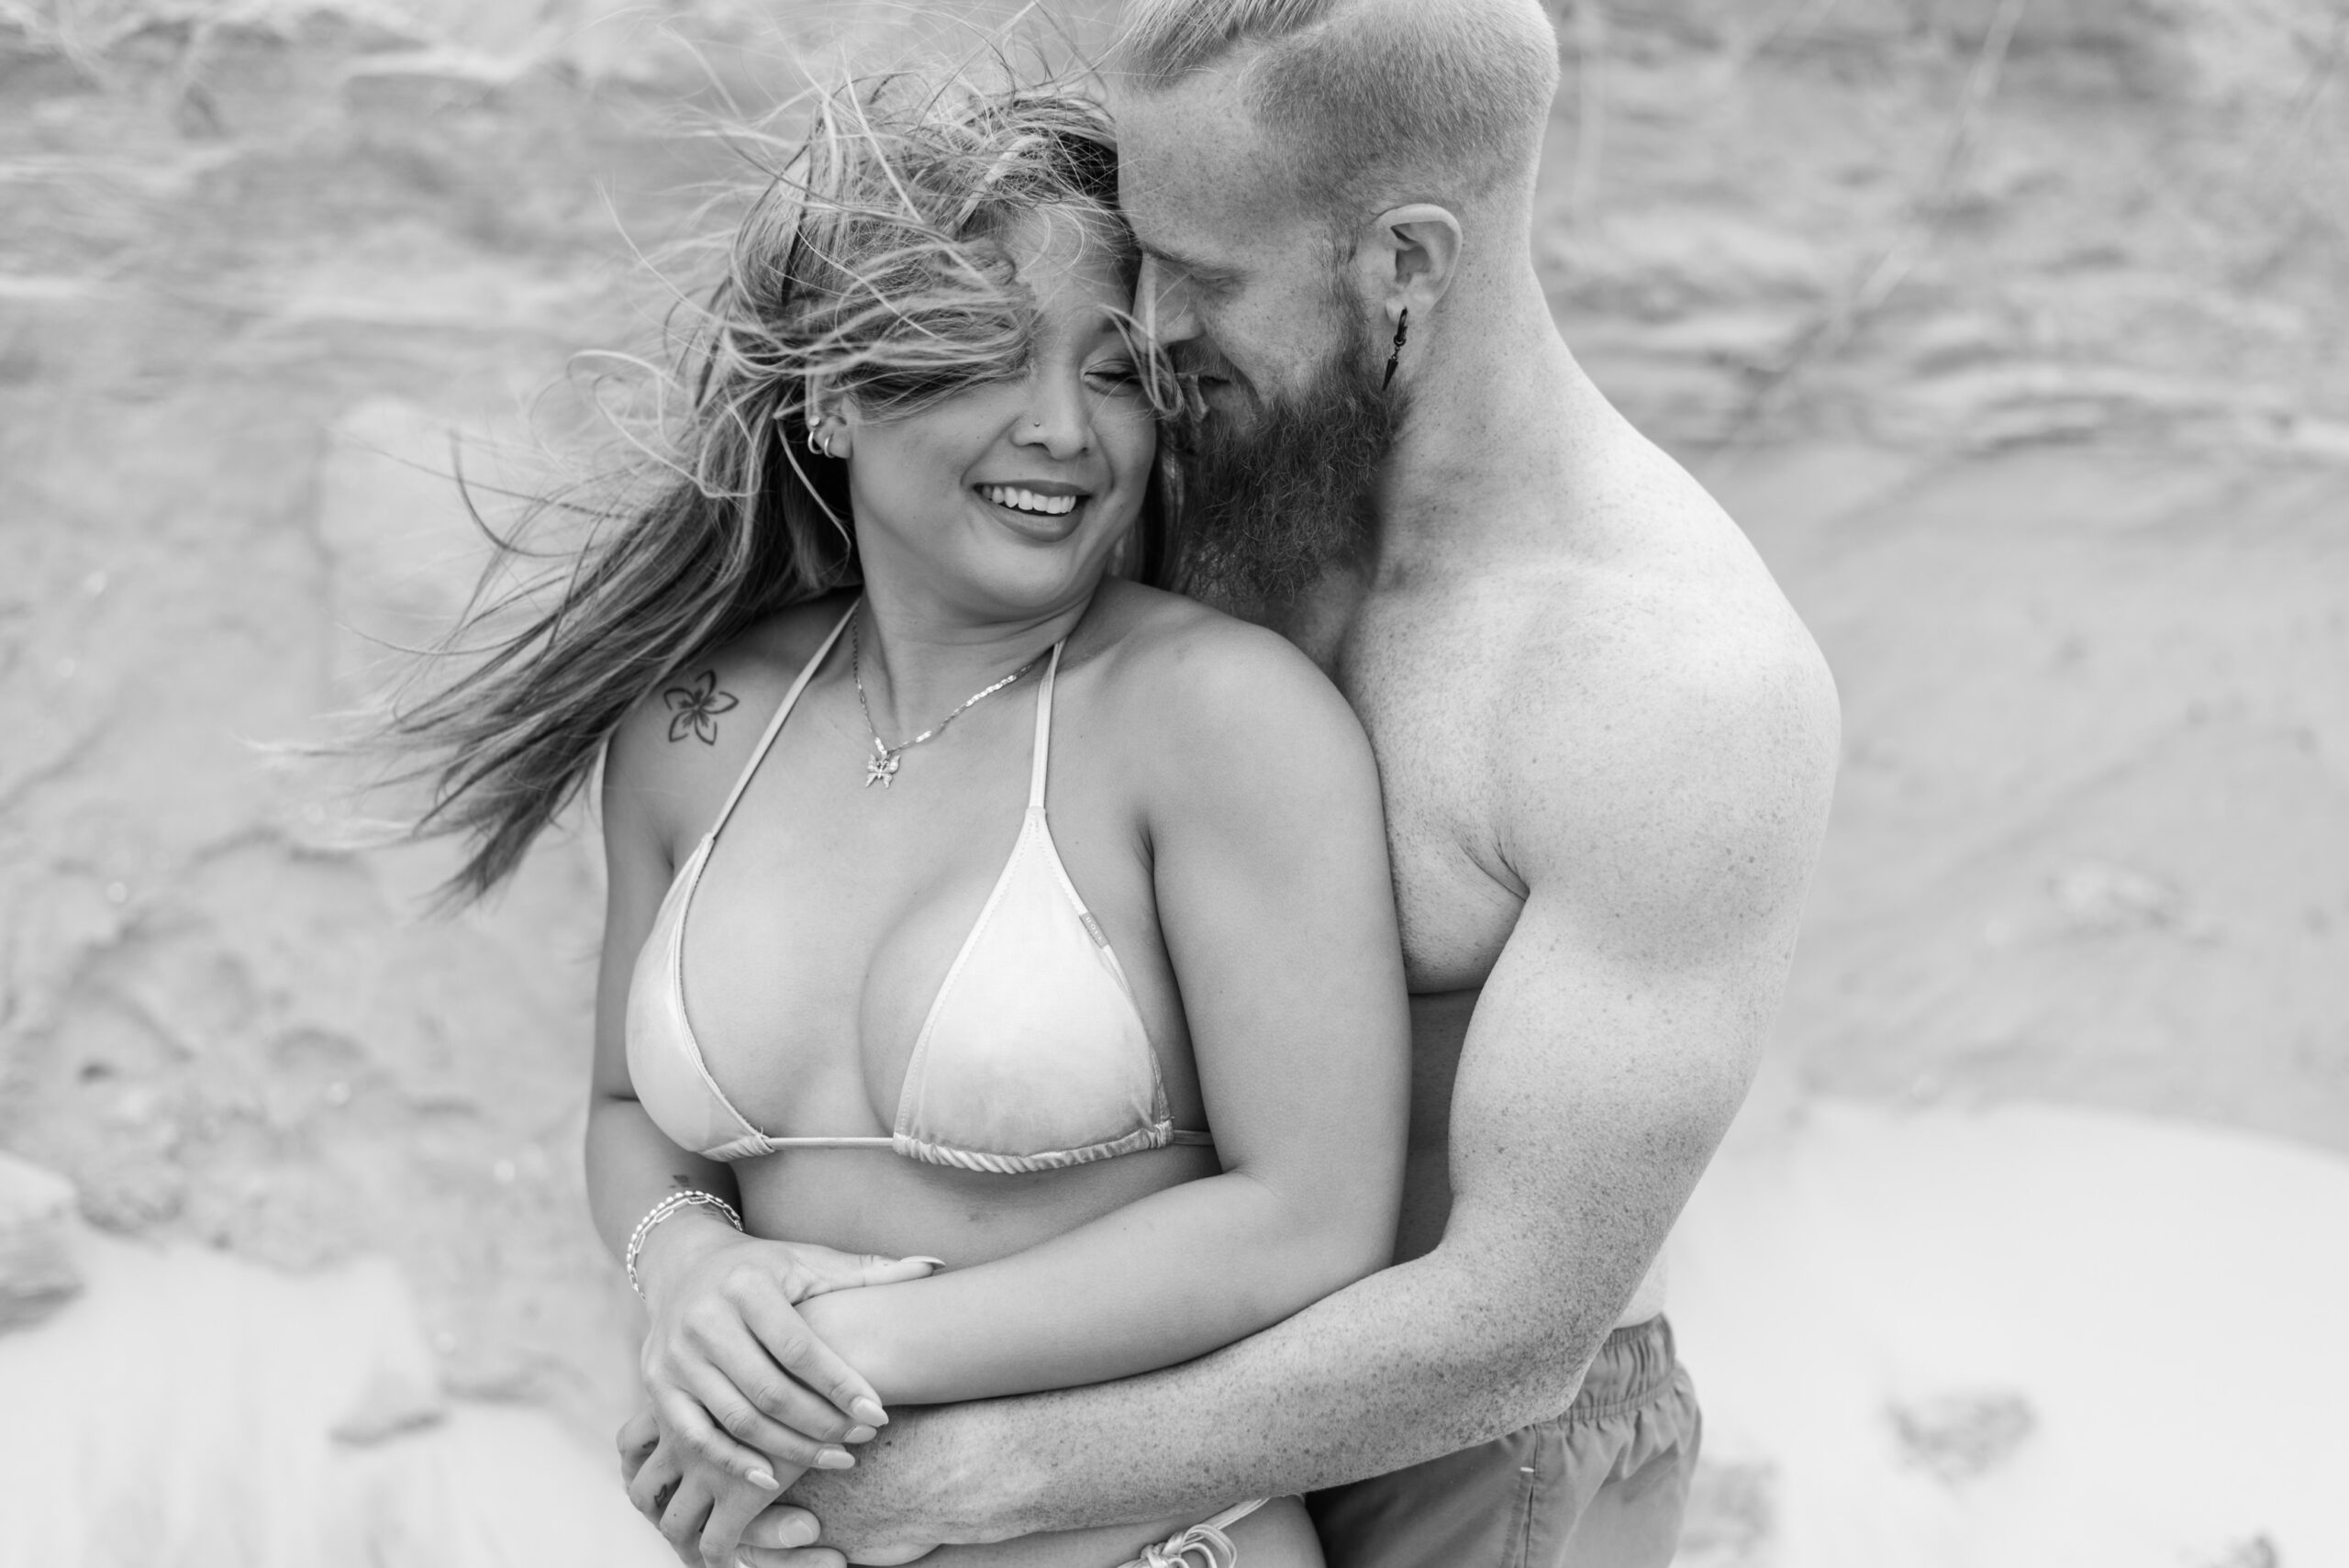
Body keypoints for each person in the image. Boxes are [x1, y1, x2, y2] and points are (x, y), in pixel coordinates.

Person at [687, 1, 1842, 1564]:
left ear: (1406, 266)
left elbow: (1512, 1328)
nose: (1146, 323)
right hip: (1109, 1408)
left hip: (1469, 1468)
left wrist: (963, 1471)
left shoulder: (1669, 684)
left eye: (1204, 276)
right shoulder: (1213, 463)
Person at [393, 79, 1417, 1568]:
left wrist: (827, 1354)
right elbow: (629, 1114)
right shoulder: (696, 728)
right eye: (983, 355)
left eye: (1117, 369)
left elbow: (1308, 1217)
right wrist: (685, 1271)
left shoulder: (1215, 719)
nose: (1063, 429)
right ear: (832, 395)